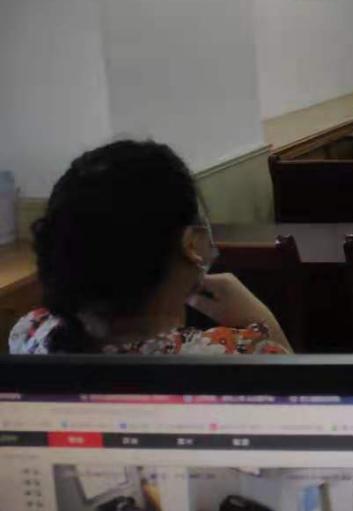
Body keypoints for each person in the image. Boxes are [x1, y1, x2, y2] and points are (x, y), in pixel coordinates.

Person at [10, 140, 291, 355]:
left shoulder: (29, 332)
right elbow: (298, 402)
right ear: (190, 244)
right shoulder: (239, 353)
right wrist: (261, 318)